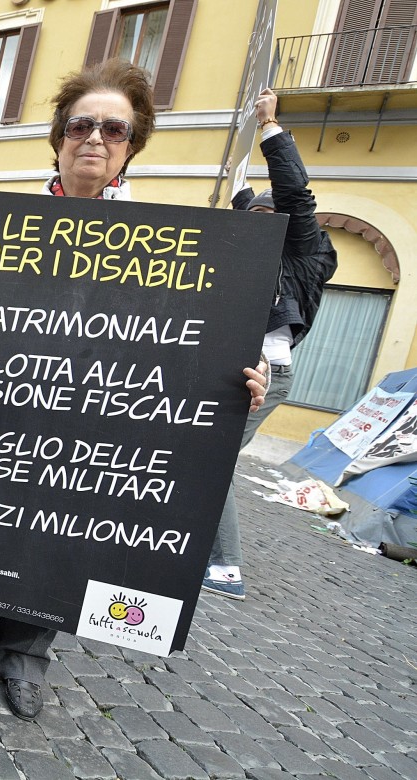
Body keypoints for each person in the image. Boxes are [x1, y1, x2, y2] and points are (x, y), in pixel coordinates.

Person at [0, 61, 269, 722]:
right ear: (59, 138)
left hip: (94, 413)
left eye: (113, 128)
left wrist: (238, 379)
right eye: (81, 125)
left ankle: (27, 648)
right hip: (0, 401)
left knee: (64, 522)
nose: (94, 138)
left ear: (131, 147)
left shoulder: (170, 245)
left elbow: (189, 342)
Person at [202, 88, 337, 602]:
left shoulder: (302, 252)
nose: (253, 229)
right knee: (195, 455)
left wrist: (270, 128)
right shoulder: (257, 248)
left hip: (267, 373)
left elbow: (295, 196)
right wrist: (238, 172)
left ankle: (226, 569)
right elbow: (246, 202)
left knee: (213, 463)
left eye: (266, 220)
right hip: (233, 368)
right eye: (250, 219)